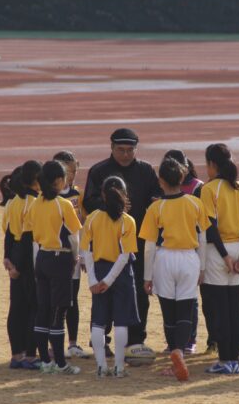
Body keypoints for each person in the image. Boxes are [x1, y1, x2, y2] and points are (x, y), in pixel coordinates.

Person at [83, 128, 161, 351]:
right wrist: (114, 207)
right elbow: (89, 201)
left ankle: (136, 340)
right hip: (105, 244)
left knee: (137, 293)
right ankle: (101, 339)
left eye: (130, 150)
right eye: (121, 150)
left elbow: (155, 197)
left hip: (137, 242)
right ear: (111, 148)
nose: (126, 155)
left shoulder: (146, 170)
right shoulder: (99, 171)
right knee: (103, 291)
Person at [140, 157, 210, 381]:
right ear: (182, 177)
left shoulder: (156, 207)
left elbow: (149, 246)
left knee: (169, 311)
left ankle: (173, 353)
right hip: (189, 258)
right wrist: (202, 267)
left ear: (160, 180)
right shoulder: (194, 203)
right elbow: (203, 236)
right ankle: (180, 350)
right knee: (186, 309)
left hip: (164, 259)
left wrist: (147, 276)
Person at [23, 160, 82, 375]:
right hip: (60, 259)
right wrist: (76, 257)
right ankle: (60, 363)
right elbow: (74, 236)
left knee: (43, 310)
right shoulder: (63, 204)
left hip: (42, 257)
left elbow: (31, 233)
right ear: (58, 180)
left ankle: (46, 361)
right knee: (59, 312)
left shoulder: (35, 203)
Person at [200, 143, 239, 375]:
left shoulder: (210, 189)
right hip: (238, 247)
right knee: (233, 307)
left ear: (212, 164)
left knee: (219, 308)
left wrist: (224, 257)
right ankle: (234, 360)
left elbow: (210, 228)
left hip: (217, 252)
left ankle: (224, 359)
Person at [81, 176, 140, 378]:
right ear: (124, 195)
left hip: (98, 270)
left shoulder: (92, 218)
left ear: (103, 195)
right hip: (121, 275)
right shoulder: (128, 221)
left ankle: (100, 366)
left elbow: (86, 252)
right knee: (121, 322)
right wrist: (110, 280)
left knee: (98, 321)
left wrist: (94, 281)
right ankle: (119, 367)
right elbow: (125, 256)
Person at [163, 149, 205, 353]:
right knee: (173, 299)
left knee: (189, 300)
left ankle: (189, 340)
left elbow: (202, 229)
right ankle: (175, 343)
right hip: (172, 252)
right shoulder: (164, 188)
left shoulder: (197, 188)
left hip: (191, 250)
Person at [1, 161, 42, 369]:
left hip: (16, 252)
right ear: (36, 180)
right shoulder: (33, 202)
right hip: (28, 257)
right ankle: (30, 354)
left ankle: (16, 354)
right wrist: (19, 267)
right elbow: (27, 238)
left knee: (16, 307)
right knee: (33, 307)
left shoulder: (13, 201)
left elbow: (9, 232)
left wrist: (7, 257)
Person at [53, 150, 86, 359]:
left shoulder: (77, 194)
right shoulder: (49, 197)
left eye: (75, 170)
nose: (73, 175)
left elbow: (83, 225)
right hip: (55, 253)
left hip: (74, 254)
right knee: (54, 300)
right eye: (69, 171)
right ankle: (53, 341)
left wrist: (83, 253)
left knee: (72, 298)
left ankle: (73, 343)